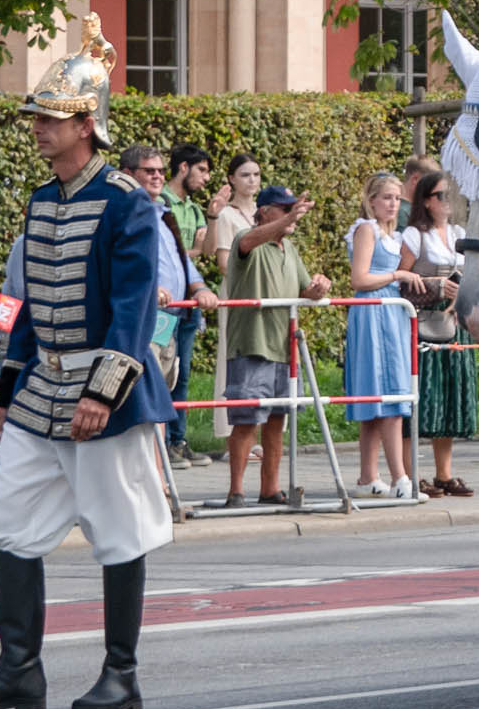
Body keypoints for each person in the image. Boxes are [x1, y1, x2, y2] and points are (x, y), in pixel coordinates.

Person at [0, 21, 177, 709]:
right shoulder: (42, 200)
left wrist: (103, 393)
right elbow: (30, 305)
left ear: (86, 125)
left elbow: (134, 310)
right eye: (40, 118)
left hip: (105, 391)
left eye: (51, 118)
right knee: (7, 520)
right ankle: (20, 670)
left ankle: (122, 674)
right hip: (41, 389)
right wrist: (8, 393)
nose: (39, 129)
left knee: (118, 527)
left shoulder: (128, 204)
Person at [219, 185, 331, 507]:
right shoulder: (247, 238)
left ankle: (270, 487)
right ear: (265, 212)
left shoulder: (289, 249)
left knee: (277, 420)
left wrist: (320, 287)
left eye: (293, 209)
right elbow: (248, 241)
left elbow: (305, 290)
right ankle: (235, 491)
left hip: (283, 346)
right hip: (252, 342)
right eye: (285, 209)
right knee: (245, 420)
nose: (292, 215)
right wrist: (284, 222)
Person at [119, 147, 217, 452]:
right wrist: (149, 289)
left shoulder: (161, 213)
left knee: (162, 390)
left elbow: (181, 261)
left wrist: (199, 287)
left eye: (161, 170)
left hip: (168, 317)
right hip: (138, 317)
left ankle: (159, 468)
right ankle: (145, 467)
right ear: (128, 173)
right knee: (139, 393)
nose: (158, 176)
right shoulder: (121, 212)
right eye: (149, 171)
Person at [341, 173, 423, 499]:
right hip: (373, 313)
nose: (392, 204)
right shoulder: (366, 229)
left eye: (396, 198)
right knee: (386, 393)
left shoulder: (395, 235)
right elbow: (358, 278)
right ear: (372, 200)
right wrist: (397, 274)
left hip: (391, 314)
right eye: (386, 197)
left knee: (384, 394)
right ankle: (399, 477)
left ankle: (367, 477)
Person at [398, 172, 476, 497]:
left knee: (448, 399)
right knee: (421, 400)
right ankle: (410, 473)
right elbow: (400, 282)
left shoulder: (459, 233)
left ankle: (444, 473)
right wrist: (435, 286)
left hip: (453, 323)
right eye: (442, 195)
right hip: (424, 325)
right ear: (427, 201)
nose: (448, 201)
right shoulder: (415, 235)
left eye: (451, 195)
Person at [159, 144, 216, 466]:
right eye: (202, 170)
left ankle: (178, 440)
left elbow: (202, 251)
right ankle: (163, 440)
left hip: (188, 305)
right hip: (166, 307)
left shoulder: (194, 209)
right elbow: (178, 254)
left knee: (182, 375)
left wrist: (214, 214)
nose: (206, 178)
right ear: (183, 168)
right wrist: (190, 252)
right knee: (162, 371)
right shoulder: (161, 205)